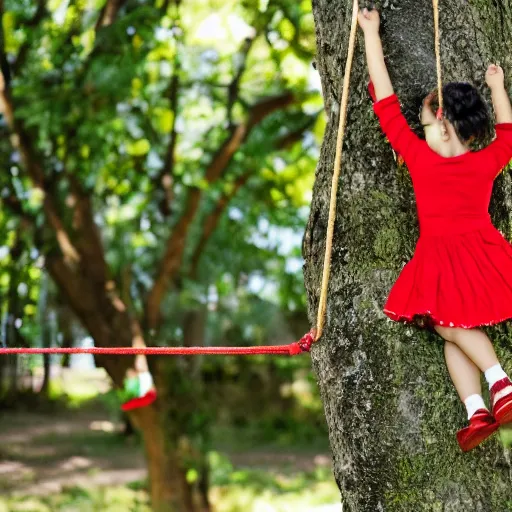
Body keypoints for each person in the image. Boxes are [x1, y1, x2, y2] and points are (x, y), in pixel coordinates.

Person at [358, 6, 512, 451]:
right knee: (449, 327)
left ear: (443, 127)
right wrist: (499, 88)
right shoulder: (484, 163)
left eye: (424, 123)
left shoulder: (420, 160)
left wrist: (371, 35)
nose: (418, 130)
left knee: (449, 325)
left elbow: (384, 101)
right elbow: (507, 133)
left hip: (442, 257)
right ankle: (475, 409)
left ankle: (500, 380)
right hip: (481, 252)